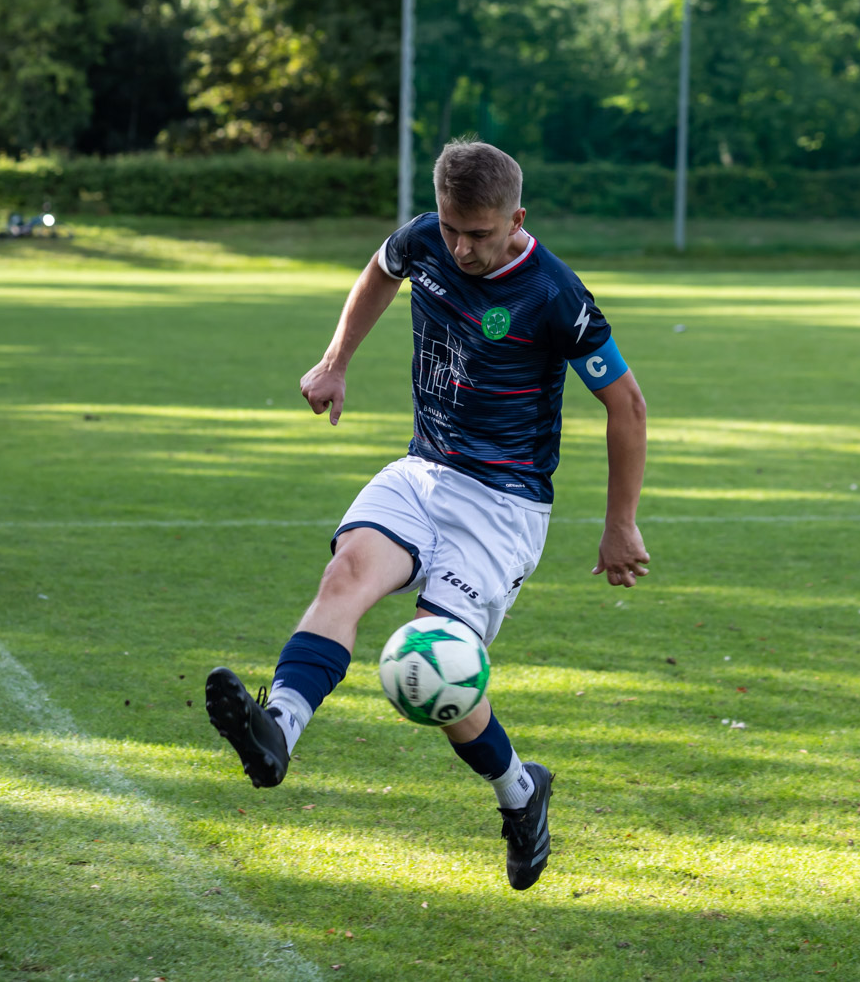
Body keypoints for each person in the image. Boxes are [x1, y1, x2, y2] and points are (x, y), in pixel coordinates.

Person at [205, 139, 650, 892]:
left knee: (431, 667)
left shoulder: (554, 293)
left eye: (479, 233)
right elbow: (382, 270)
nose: (461, 247)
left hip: (503, 505)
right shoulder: (424, 240)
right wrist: (335, 361)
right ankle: (277, 727)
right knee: (344, 576)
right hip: (421, 472)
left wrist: (620, 522)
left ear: (517, 219)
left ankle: (520, 792)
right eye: (451, 229)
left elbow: (627, 404)